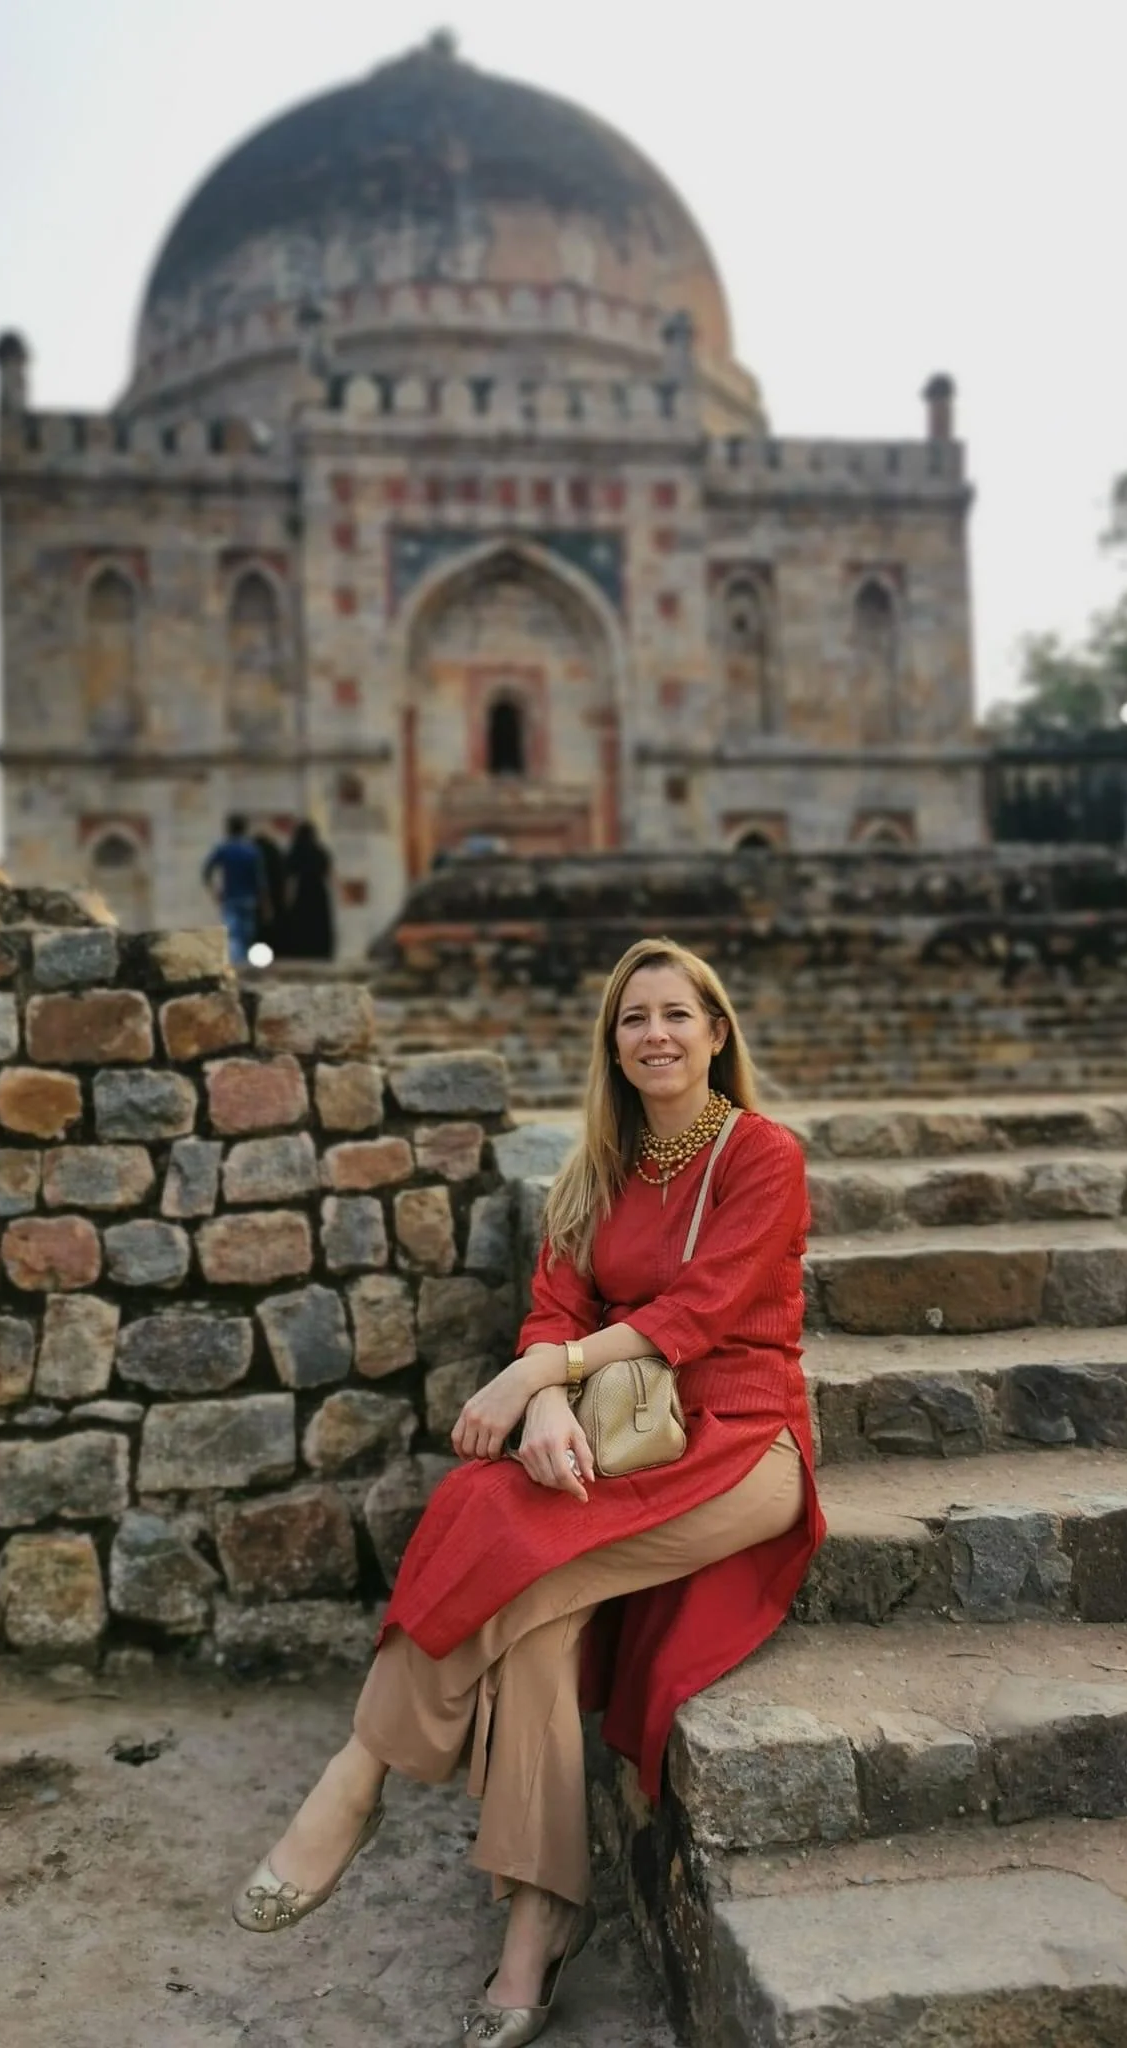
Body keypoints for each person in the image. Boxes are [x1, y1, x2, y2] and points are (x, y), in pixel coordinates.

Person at [231, 937, 824, 2045]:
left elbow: (697, 1312)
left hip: (740, 1444)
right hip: (619, 1442)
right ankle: (537, 1929)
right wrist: (548, 1398)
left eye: (675, 1014)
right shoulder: (596, 1169)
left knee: (503, 1535)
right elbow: (556, 1306)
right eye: (632, 1017)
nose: (654, 1033)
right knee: (525, 1601)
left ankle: (357, 1773)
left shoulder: (761, 1156)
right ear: (612, 1042)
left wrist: (539, 1375)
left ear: (716, 1030)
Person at [201, 814, 267, 964]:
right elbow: (260, 880)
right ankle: (245, 963)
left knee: (233, 935)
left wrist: (214, 891)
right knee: (247, 934)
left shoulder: (224, 849)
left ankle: (238, 965)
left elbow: (206, 872)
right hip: (249, 898)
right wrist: (265, 903)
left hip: (230, 897)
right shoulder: (252, 851)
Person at [278, 820, 335, 960]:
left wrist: (285, 899)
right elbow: (328, 872)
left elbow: (287, 876)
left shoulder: (295, 851)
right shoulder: (320, 851)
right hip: (318, 891)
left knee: (302, 922)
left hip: (302, 891)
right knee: (318, 923)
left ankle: (302, 950)